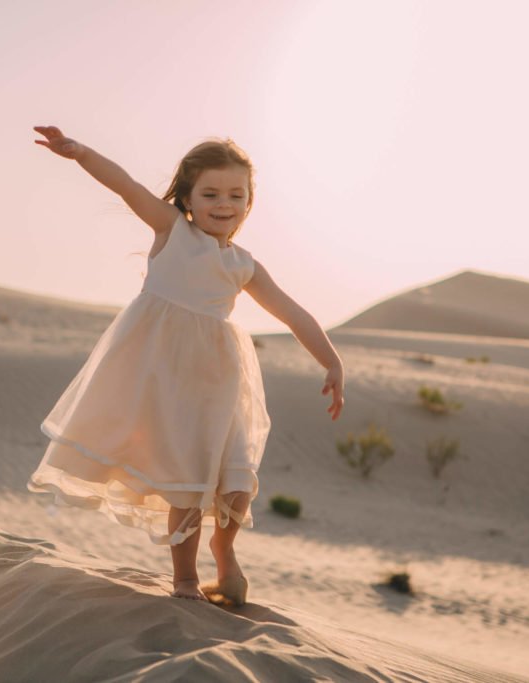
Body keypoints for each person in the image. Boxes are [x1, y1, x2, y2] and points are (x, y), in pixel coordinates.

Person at [27, 125, 345, 605]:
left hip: (220, 379)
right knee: (188, 480)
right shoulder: (172, 231)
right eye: (211, 192)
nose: (224, 203)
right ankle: (185, 579)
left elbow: (292, 311)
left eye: (236, 194)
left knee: (236, 476)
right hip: (161, 377)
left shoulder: (244, 264)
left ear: (249, 202)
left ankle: (225, 549)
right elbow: (126, 185)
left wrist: (331, 361)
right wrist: (81, 153)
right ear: (188, 198)